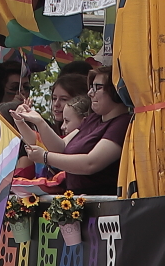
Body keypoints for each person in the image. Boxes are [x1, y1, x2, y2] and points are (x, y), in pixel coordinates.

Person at [17, 67, 129, 195]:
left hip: (104, 207)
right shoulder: (93, 119)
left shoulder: (122, 123)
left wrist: (45, 157)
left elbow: (91, 163)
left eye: (97, 87)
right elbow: (61, 147)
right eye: (91, 87)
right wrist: (38, 121)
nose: (90, 93)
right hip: (79, 201)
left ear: (116, 90)